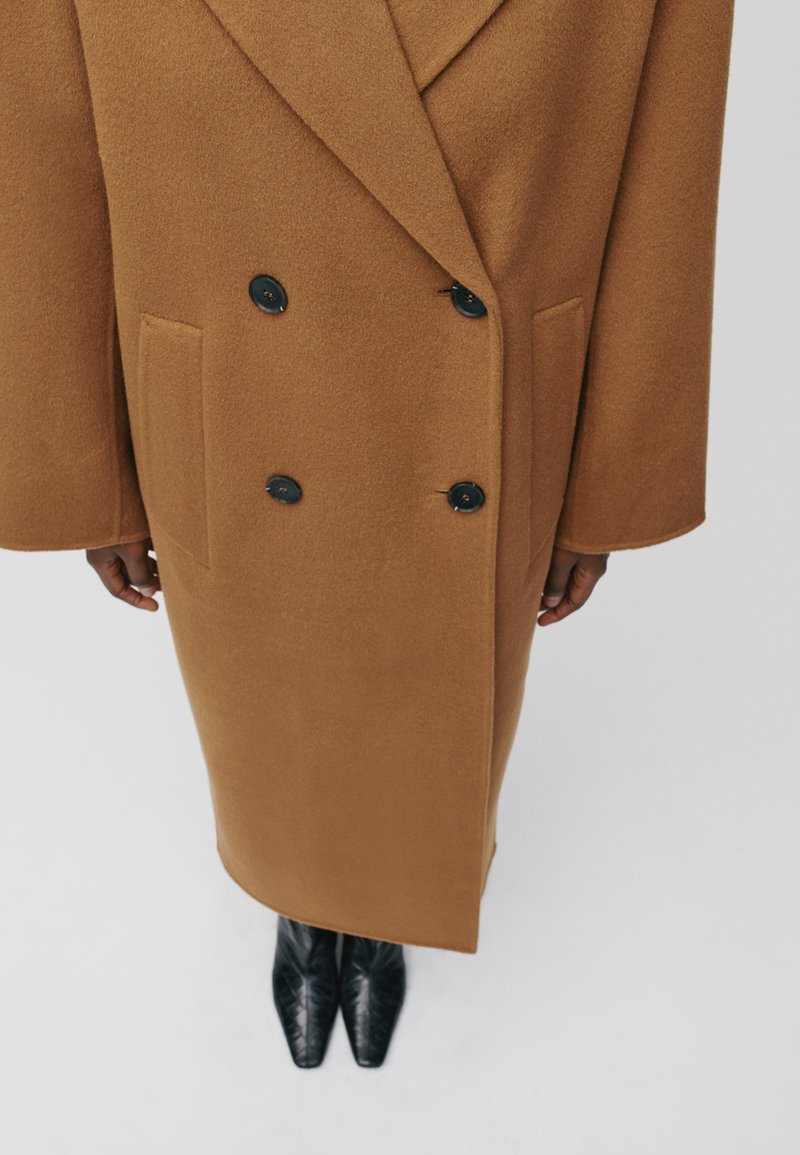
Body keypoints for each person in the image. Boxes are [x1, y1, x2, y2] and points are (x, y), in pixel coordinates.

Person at [0, 1, 735, 1068]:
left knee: (422, 714)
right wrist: (80, 473)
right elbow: (41, 146)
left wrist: (613, 481)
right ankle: (306, 910)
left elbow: (668, 167)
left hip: (479, 416)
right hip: (236, 411)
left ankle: (380, 909)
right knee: (274, 717)